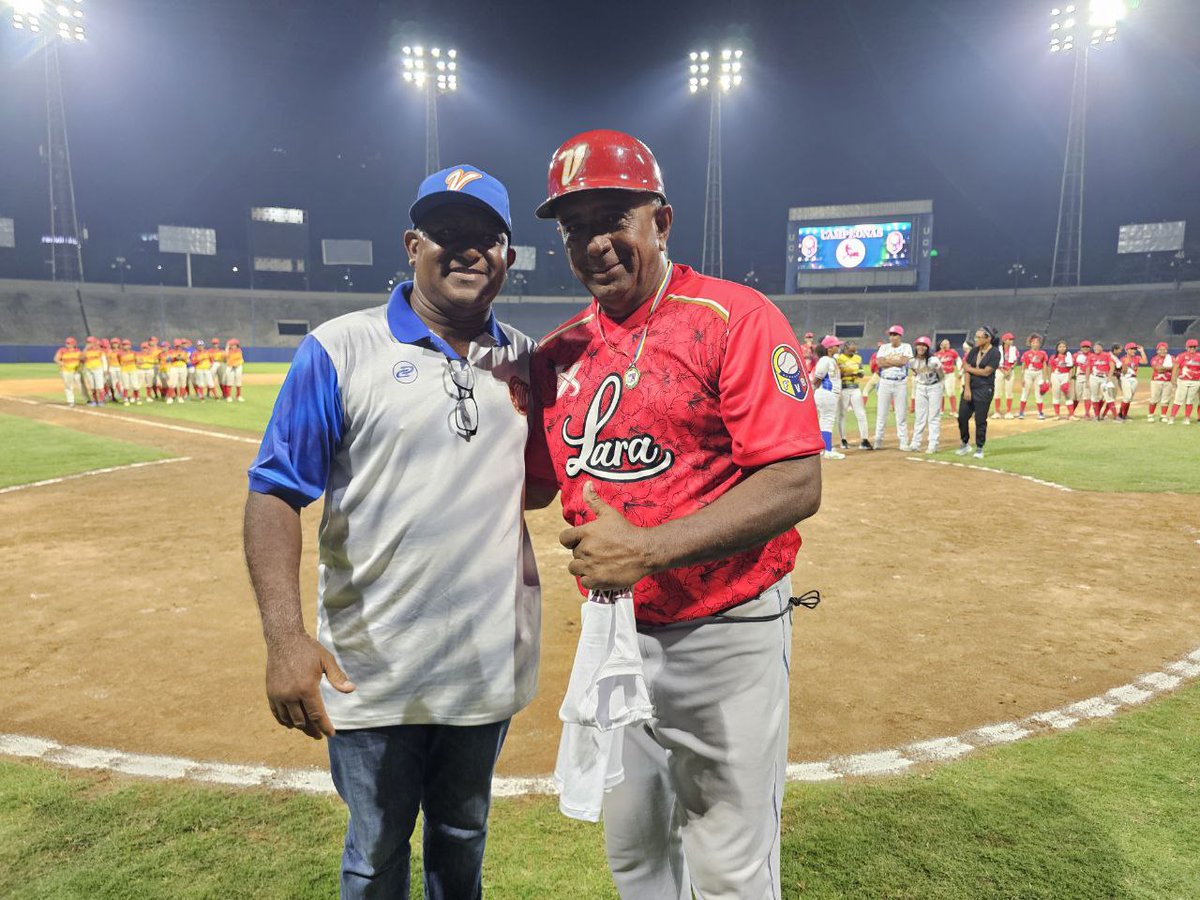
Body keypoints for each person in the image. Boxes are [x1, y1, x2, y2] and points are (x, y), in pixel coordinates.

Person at [526, 129, 823, 900]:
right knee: (635, 857)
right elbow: (527, 486)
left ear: (660, 220)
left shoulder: (733, 317)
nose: (595, 242)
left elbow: (795, 481)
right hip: (611, 638)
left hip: (724, 631)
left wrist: (651, 550)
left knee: (727, 868)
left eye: (613, 217)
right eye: (574, 226)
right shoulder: (559, 354)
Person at [244, 164, 539, 899]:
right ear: (413, 244)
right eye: (449, 234)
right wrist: (285, 638)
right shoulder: (340, 348)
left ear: (508, 256)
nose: (469, 251)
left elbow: (551, 482)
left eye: (487, 238)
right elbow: (274, 494)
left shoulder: (529, 361)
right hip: (370, 669)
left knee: (463, 841)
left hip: (484, 666)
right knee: (374, 854)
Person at [956, 326, 1001, 459]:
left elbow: (987, 372)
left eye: (979, 337)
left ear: (988, 339)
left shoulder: (995, 353)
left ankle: (979, 447)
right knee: (962, 417)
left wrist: (970, 368)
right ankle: (965, 443)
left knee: (980, 420)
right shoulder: (974, 351)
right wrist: (967, 389)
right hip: (970, 387)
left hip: (984, 389)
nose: (976, 339)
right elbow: (966, 370)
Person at [873, 325, 913, 450]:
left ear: (900, 336)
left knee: (901, 414)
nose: (892, 337)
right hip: (885, 382)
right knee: (881, 413)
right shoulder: (884, 347)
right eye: (890, 334)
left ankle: (903, 441)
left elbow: (904, 362)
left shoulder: (906, 346)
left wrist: (888, 361)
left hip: (900, 383)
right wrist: (896, 361)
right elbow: (879, 363)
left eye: (895, 334)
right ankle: (878, 440)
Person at [835, 340, 872, 450]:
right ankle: (843, 440)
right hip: (843, 389)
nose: (852, 353)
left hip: (855, 388)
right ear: (845, 348)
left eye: (854, 351)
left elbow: (861, 373)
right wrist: (850, 373)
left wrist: (853, 373)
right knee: (842, 415)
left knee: (861, 414)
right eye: (850, 351)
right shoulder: (838, 358)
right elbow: (838, 374)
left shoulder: (858, 358)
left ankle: (864, 440)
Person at [910, 336, 944, 453]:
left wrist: (938, 386)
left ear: (928, 348)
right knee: (920, 416)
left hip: (934, 387)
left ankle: (933, 444)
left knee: (933, 417)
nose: (921, 347)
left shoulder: (933, 361)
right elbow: (915, 372)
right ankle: (915, 443)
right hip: (920, 387)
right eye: (919, 345)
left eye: (924, 345)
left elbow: (941, 375)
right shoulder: (912, 361)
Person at [813, 336, 845, 459]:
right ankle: (827, 450)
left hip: (829, 394)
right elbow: (817, 379)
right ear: (829, 348)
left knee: (824, 421)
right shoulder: (825, 360)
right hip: (827, 393)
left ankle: (823, 448)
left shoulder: (831, 359)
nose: (839, 347)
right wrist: (812, 391)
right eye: (836, 345)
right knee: (827, 420)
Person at [1168, 337, 1200, 425]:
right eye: (1190, 347)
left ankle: (1187, 418)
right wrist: (1173, 378)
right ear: (1186, 347)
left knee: (1190, 401)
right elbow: (1176, 367)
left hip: (1195, 381)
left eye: (1194, 347)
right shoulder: (1182, 356)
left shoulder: (1199, 356)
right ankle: (1172, 418)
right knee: (1178, 400)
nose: (1192, 348)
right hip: (1183, 380)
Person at [1017, 333, 1049, 420]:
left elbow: (1045, 366)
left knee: (1038, 393)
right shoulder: (1026, 354)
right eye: (1034, 342)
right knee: (1025, 392)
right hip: (1028, 373)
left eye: (1037, 342)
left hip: (1039, 373)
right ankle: (1021, 412)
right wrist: (1022, 377)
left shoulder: (1043, 353)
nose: (1035, 344)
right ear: (1030, 343)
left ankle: (1040, 412)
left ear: (1039, 344)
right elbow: (1023, 366)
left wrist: (1045, 378)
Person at [1117, 342, 1148, 421]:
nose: (1134, 350)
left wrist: (1142, 351)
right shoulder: (1123, 359)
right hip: (1125, 378)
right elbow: (1121, 371)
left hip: (1134, 379)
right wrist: (1124, 367)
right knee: (1127, 397)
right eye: (1131, 349)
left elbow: (1145, 362)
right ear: (1127, 350)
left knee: (1129, 398)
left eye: (1134, 349)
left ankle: (1125, 415)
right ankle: (1120, 415)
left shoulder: (1137, 358)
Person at [992, 332, 1019, 419]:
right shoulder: (997, 349)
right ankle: (997, 412)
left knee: (1009, 392)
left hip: (1010, 371)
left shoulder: (1014, 349)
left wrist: (1010, 370)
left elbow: (1015, 361)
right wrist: (1003, 371)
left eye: (1012, 339)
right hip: (999, 371)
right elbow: (995, 361)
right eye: (1009, 339)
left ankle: (1008, 412)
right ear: (1004, 340)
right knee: (997, 391)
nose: (1011, 341)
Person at [1089, 341, 1119, 421]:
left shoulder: (1107, 355)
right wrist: (1087, 379)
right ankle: (1096, 416)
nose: (1097, 348)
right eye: (1095, 347)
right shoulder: (1091, 356)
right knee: (1094, 396)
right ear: (1093, 348)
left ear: (1102, 348)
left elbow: (1112, 367)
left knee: (1108, 396)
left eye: (1099, 347)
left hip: (1104, 378)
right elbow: (1088, 368)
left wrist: (1109, 378)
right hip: (1093, 377)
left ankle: (1116, 416)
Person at [53, 336, 84, 406]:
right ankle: (71, 401)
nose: (67, 344)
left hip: (76, 371)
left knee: (81, 385)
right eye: (67, 343)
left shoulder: (78, 351)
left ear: (73, 344)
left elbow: (82, 360)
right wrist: (61, 363)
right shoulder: (62, 350)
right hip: (66, 371)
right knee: (68, 386)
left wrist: (80, 367)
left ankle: (87, 400)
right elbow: (55, 359)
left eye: (69, 343)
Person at [1147, 341, 1174, 422]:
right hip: (1156, 381)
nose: (1162, 351)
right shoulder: (1154, 358)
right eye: (1160, 349)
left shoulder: (1171, 357)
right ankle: (1151, 415)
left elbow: (1175, 367)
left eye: (1164, 349)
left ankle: (1163, 415)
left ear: (1167, 350)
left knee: (1165, 399)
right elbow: (1158, 369)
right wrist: (1169, 367)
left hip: (1168, 381)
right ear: (1157, 351)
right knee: (1154, 398)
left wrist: (1167, 367)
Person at [1048, 340, 1074, 419]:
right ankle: (1057, 415)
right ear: (1057, 348)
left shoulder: (1068, 357)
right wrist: (1049, 380)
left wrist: (1069, 379)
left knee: (1068, 395)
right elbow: (1050, 368)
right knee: (1056, 395)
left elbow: (1071, 369)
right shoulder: (1053, 357)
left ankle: (1071, 415)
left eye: (1064, 347)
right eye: (1060, 347)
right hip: (1055, 376)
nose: (1062, 348)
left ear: (1066, 348)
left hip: (1065, 376)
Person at [1071, 339, 1094, 420]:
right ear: (1081, 348)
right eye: (1084, 347)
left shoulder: (1092, 356)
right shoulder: (1076, 355)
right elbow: (1072, 366)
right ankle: (1071, 413)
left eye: (1087, 347)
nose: (1085, 348)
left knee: (1087, 395)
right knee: (1076, 396)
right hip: (1078, 377)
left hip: (1089, 377)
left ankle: (1087, 413)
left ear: (1090, 348)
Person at [936, 339, 960, 415]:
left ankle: (953, 410)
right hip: (940, 375)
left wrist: (960, 370)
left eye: (947, 344)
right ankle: (941, 410)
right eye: (944, 344)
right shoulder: (937, 354)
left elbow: (958, 361)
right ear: (941, 345)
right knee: (940, 392)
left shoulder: (952, 352)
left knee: (951, 392)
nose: (946, 345)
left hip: (950, 374)